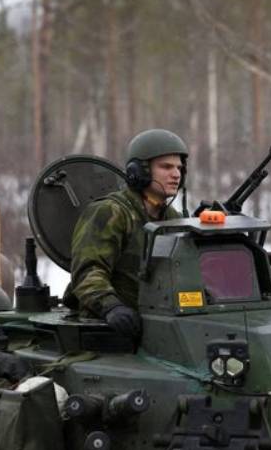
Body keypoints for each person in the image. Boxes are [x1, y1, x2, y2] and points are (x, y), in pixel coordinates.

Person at [66, 129, 187, 338]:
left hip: (158, 325)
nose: (176, 174)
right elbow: (87, 272)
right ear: (139, 171)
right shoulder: (110, 212)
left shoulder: (172, 217)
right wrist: (111, 307)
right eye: (166, 167)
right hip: (106, 328)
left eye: (179, 168)